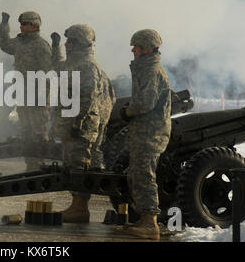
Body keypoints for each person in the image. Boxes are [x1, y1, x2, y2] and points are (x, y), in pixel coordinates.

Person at [51, 24, 116, 223]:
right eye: (66, 40)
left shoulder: (87, 65)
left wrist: (78, 124)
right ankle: (77, 206)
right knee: (73, 163)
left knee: (79, 164)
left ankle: (80, 209)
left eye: (71, 41)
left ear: (80, 42)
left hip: (81, 125)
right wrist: (55, 47)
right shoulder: (74, 62)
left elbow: (87, 98)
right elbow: (57, 67)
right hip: (75, 123)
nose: (67, 44)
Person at [120, 29, 171, 240]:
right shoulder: (147, 69)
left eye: (136, 47)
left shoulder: (151, 71)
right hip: (145, 132)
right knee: (139, 174)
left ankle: (150, 224)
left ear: (147, 48)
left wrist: (127, 111)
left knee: (144, 176)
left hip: (150, 134)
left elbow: (145, 103)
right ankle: (145, 219)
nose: (133, 50)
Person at [0, 11, 53, 170]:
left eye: (24, 24)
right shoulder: (21, 42)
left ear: (33, 26)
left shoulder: (41, 46)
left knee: (38, 133)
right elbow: (5, 45)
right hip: (23, 96)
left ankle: (39, 165)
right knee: (26, 133)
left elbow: (48, 75)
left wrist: (41, 98)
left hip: (37, 98)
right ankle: (31, 165)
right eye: (20, 24)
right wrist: (4, 26)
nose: (21, 27)